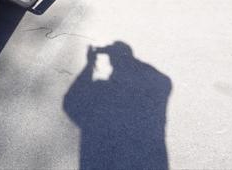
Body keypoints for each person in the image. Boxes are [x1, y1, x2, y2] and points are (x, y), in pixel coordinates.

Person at [63, 42, 172, 170]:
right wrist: (129, 60)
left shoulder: (101, 90)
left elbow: (70, 101)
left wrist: (89, 65)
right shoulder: (155, 89)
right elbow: (163, 80)